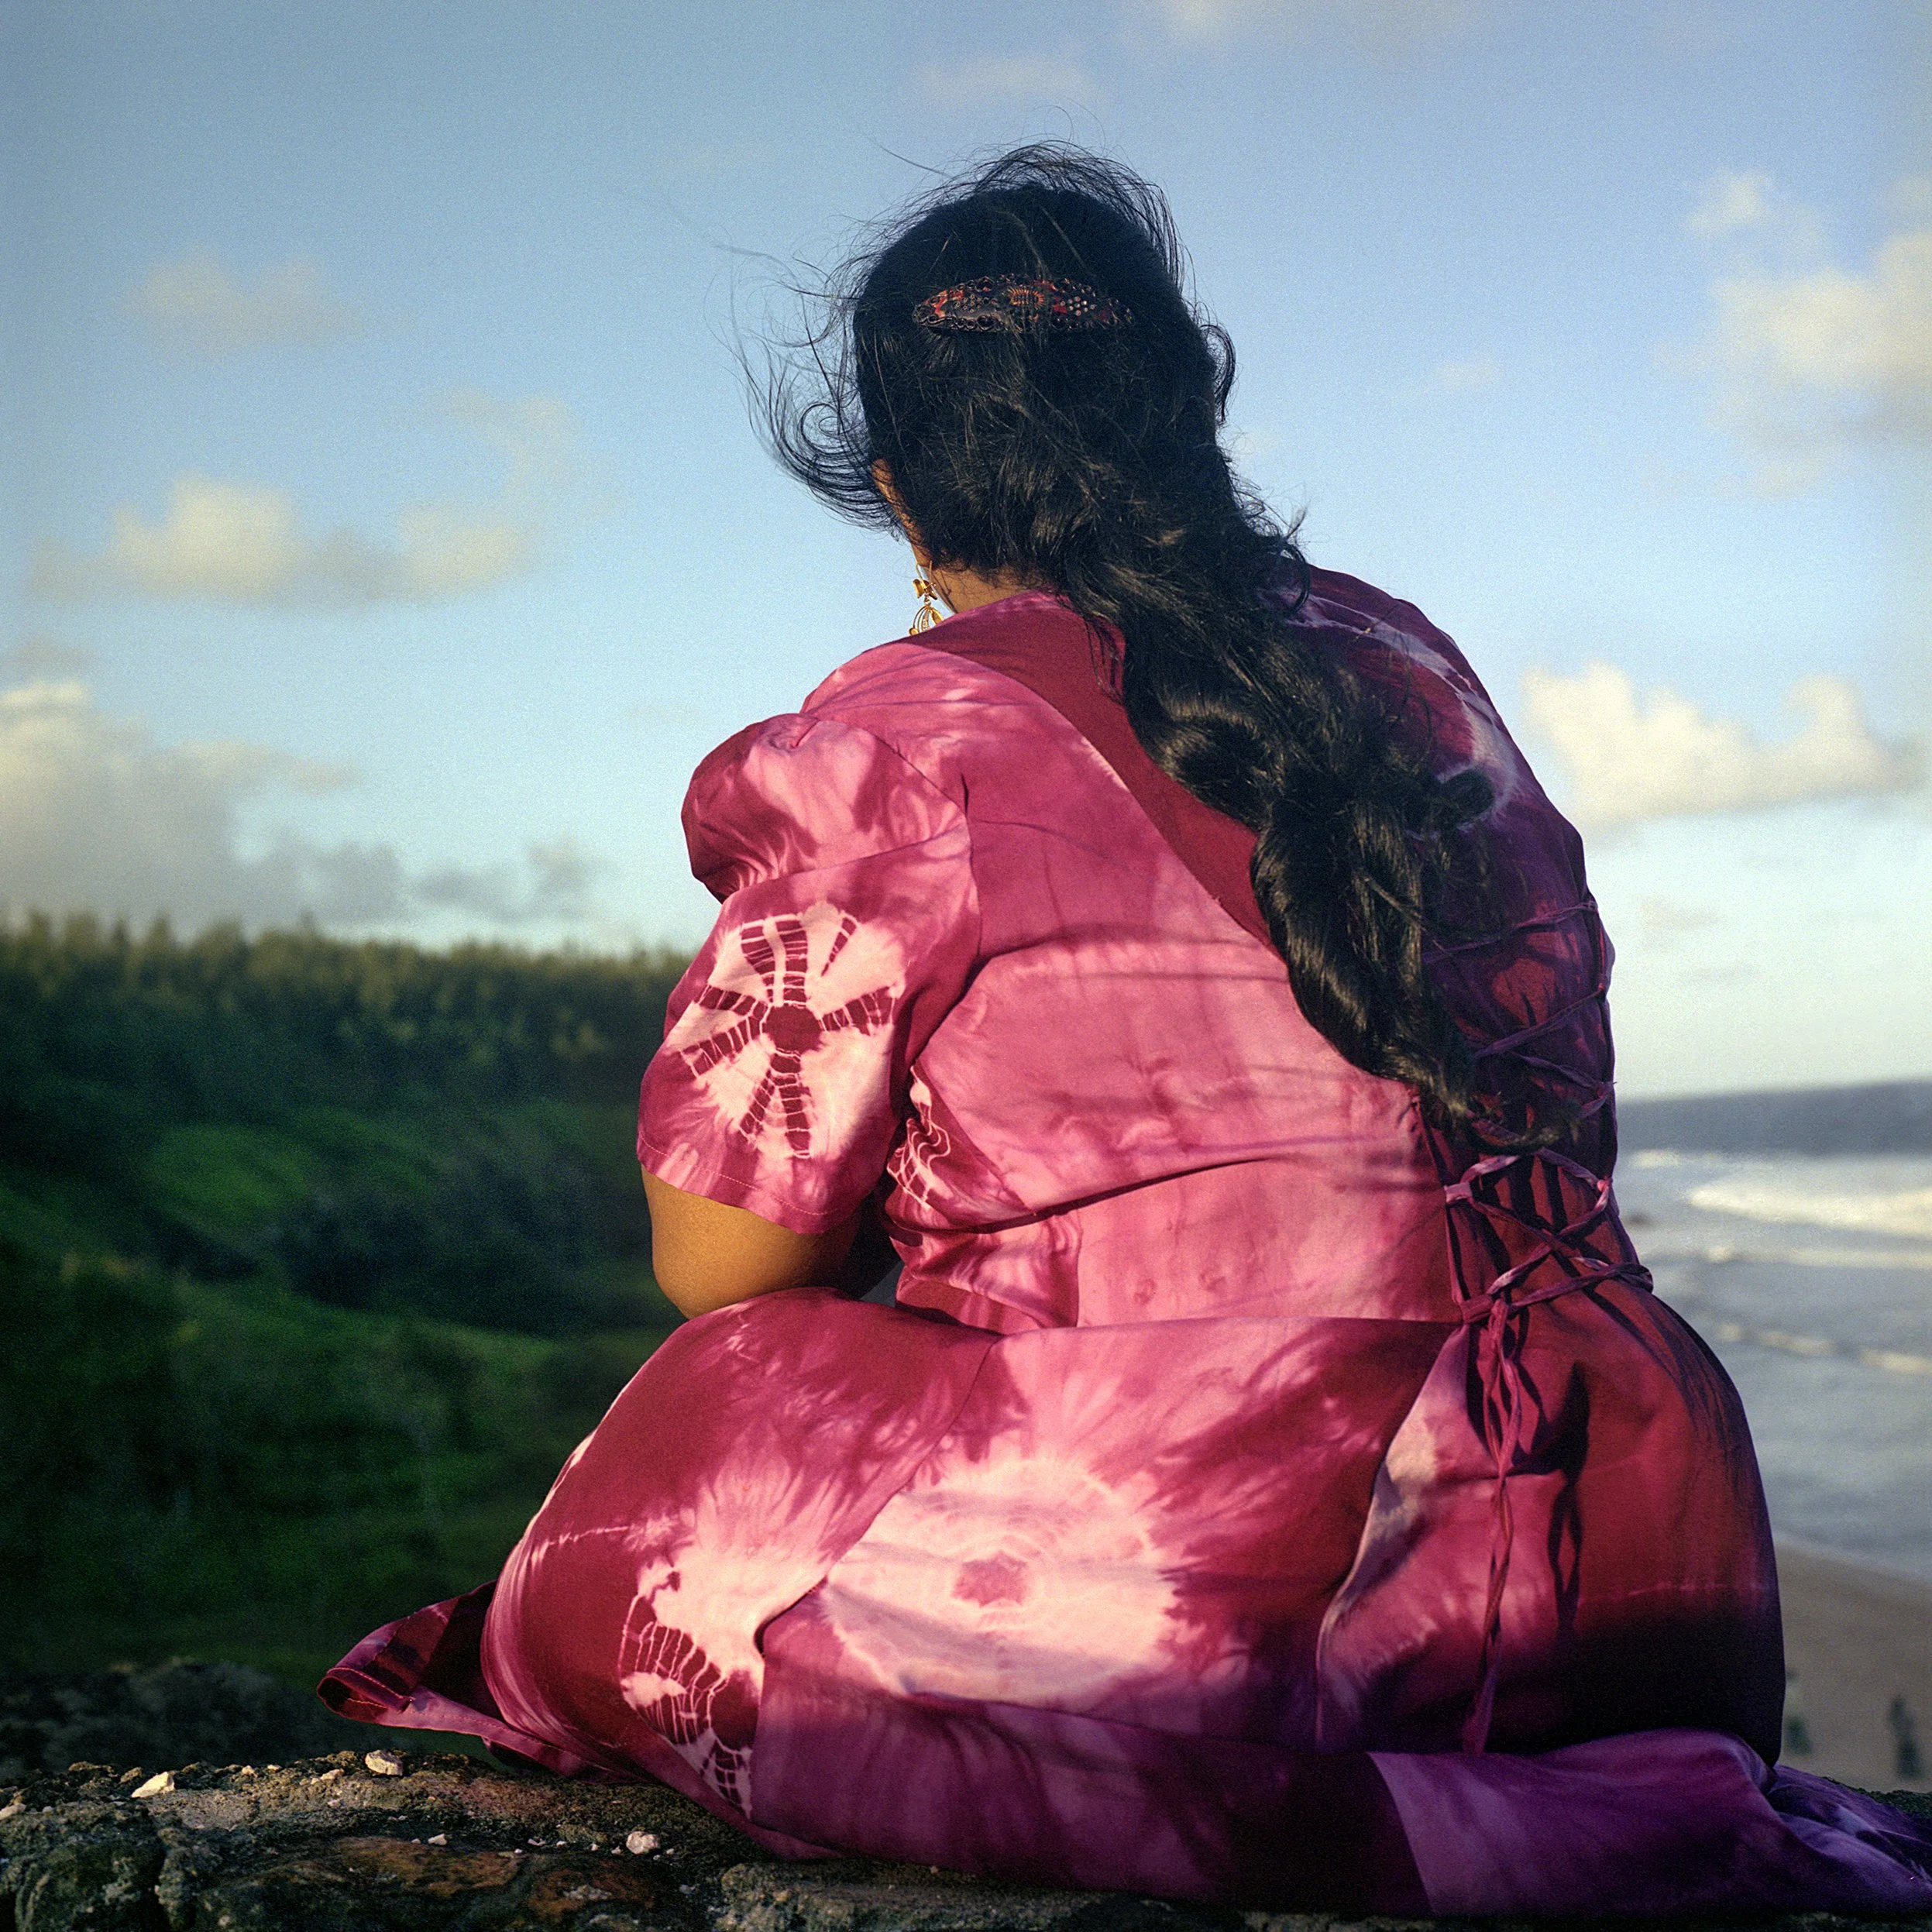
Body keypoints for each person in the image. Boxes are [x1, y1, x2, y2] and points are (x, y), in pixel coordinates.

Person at [322, 147, 1932, 1915]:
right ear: (1188, 419)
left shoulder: (897, 737)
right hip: (1632, 1547)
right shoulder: (1418, 675)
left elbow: (721, 1251)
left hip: (1217, 1564)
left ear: (896, 493)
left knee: (701, 1428)